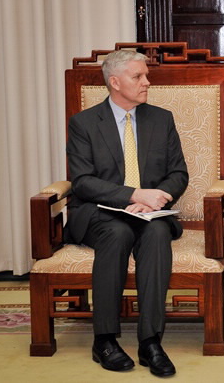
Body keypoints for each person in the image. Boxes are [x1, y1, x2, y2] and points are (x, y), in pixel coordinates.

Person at [65, 50, 189, 377]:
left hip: (149, 214)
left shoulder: (161, 119)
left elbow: (178, 173)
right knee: (117, 233)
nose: (147, 82)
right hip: (99, 213)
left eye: (146, 75)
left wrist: (156, 199)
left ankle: (150, 341)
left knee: (158, 233)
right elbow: (82, 182)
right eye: (138, 76)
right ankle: (104, 340)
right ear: (115, 82)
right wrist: (133, 195)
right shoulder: (84, 123)